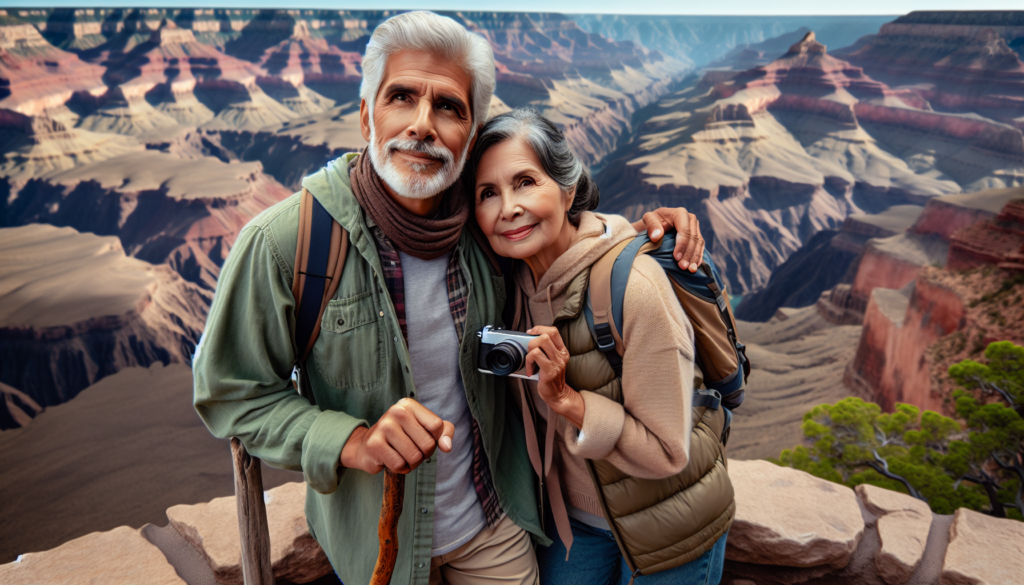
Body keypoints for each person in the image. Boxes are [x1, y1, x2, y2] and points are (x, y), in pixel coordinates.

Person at [193, 11, 705, 585]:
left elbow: (557, 232)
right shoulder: (287, 244)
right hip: (373, 542)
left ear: (469, 134)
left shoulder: (484, 225)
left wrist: (646, 237)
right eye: (401, 97)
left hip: (495, 526)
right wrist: (352, 441)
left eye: (448, 108)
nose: (422, 125)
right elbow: (230, 395)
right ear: (366, 115)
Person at [470, 108, 734, 585]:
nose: (507, 207)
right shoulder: (506, 285)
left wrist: (568, 402)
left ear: (568, 189)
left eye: (526, 182)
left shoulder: (634, 290)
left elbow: (666, 453)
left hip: (669, 528)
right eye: (488, 193)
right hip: (574, 523)